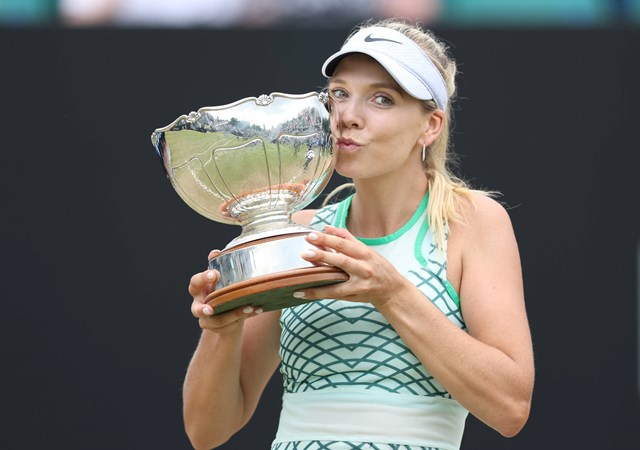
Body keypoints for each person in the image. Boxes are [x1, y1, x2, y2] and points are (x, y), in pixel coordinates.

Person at [183, 18, 535, 450]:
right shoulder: (299, 234)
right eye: (340, 95)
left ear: (430, 126)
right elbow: (207, 431)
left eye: (381, 99)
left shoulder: (474, 221)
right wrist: (221, 330)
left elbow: (510, 408)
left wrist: (392, 293)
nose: (348, 116)